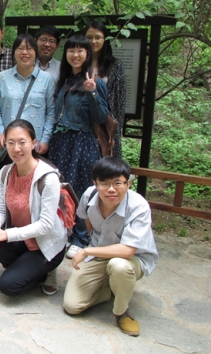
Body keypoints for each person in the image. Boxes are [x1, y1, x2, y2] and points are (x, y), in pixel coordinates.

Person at [64, 156, 158, 337]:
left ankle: (122, 312)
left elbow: (128, 250)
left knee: (118, 266)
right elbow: (88, 223)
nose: (111, 189)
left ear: (128, 184)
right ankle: (113, 288)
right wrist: (93, 249)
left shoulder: (138, 206)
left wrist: (88, 250)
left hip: (132, 259)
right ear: (95, 183)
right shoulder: (89, 196)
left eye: (118, 183)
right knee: (72, 306)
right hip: (100, 254)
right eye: (105, 184)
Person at [0, 120, 66, 297]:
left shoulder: (48, 177)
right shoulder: (5, 172)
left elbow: (46, 225)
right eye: (11, 143)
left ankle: (46, 269)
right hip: (21, 240)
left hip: (44, 244)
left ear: (33, 143)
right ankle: (29, 271)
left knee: (8, 286)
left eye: (22, 142)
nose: (16, 149)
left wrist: (6, 234)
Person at [48, 34, 109, 259]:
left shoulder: (95, 82)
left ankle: (80, 238)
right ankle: (63, 231)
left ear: (87, 53)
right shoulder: (64, 80)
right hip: (60, 142)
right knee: (61, 188)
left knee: (82, 189)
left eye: (80, 50)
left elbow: (101, 116)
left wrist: (92, 92)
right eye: (71, 50)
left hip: (82, 142)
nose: (75, 54)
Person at [0, 34, 55, 157]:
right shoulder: (2, 78)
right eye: (20, 48)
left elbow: (51, 112)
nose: (24, 52)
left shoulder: (47, 79)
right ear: (13, 53)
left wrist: (45, 139)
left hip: (35, 144)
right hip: (9, 143)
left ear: (36, 52)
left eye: (29, 48)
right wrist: (1, 132)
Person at [84, 21, 126, 158]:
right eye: (89, 37)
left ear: (105, 39)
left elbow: (119, 100)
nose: (93, 41)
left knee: (106, 166)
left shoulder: (115, 65)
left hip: (105, 124)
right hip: (83, 125)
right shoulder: (79, 64)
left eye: (98, 37)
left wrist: (115, 130)